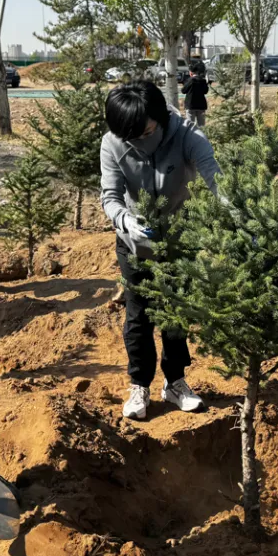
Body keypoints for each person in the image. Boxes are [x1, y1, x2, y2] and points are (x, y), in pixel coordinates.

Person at [100, 81, 220, 420]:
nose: (140, 141)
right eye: (131, 137)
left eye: (146, 132)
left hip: (179, 241)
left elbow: (216, 180)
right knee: (138, 316)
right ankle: (140, 385)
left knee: (175, 313)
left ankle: (175, 382)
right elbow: (109, 195)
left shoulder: (187, 136)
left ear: (159, 118)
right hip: (134, 244)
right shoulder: (112, 143)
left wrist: (240, 218)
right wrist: (125, 221)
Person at [181, 60, 209, 126]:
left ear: (191, 73)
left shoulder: (190, 81)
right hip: (201, 105)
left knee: (190, 126)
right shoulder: (203, 80)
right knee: (202, 125)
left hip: (190, 105)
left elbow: (183, 90)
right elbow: (206, 91)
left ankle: (191, 136)